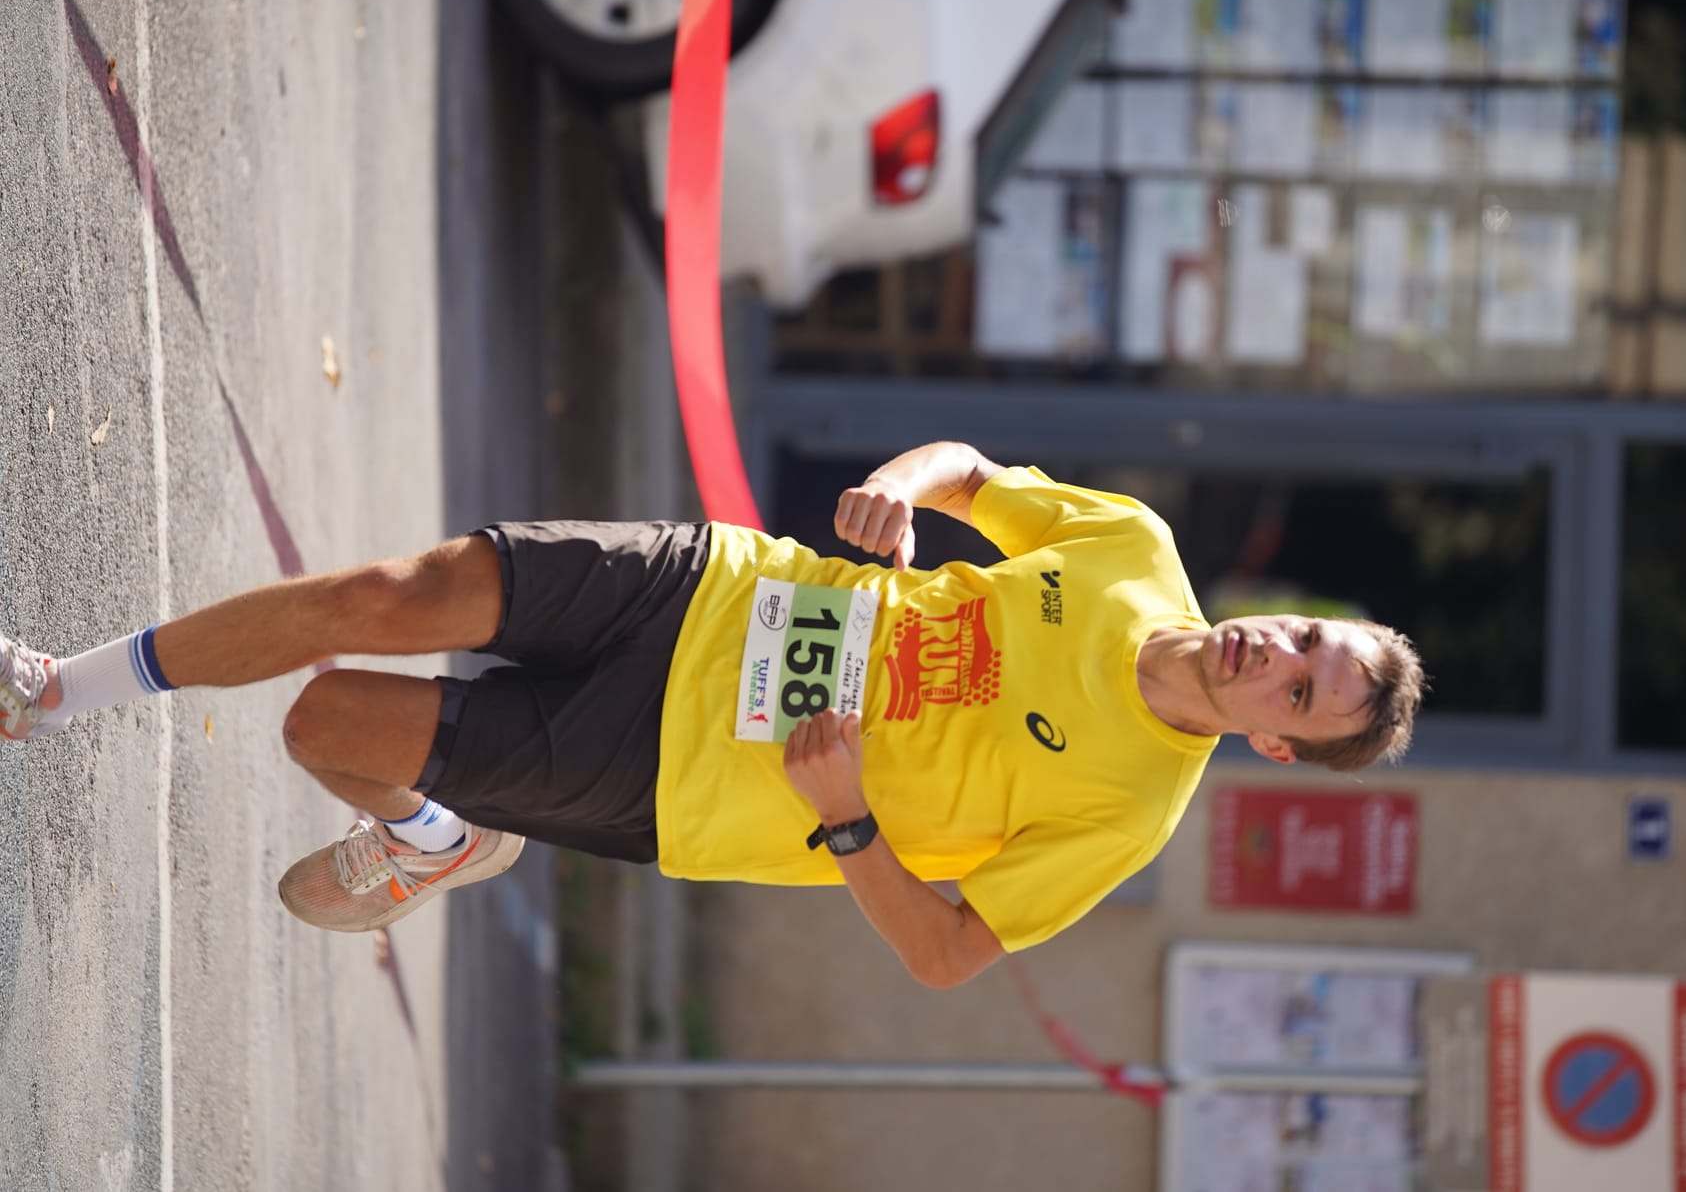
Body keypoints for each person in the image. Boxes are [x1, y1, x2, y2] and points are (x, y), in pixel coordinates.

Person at [0, 442, 1422, 987]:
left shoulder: (1127, 809)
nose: (1275, 652)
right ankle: (55, 688)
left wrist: (849, 812)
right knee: (390, 589)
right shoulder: (1135, 548)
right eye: (1306, 633)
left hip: (681, 778)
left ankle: (437, 838)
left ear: (1276, 739)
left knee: (330, 722)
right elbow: (973, 472)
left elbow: (945, 950)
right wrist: (902, 488)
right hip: (720, 594)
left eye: (1300, 686)